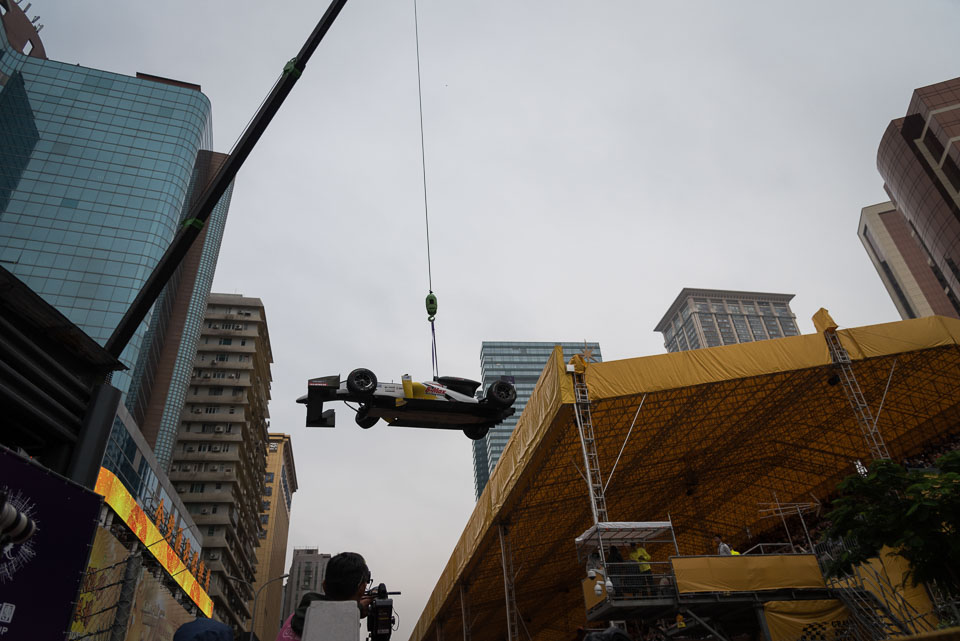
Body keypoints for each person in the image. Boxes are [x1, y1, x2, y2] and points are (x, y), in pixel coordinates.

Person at [277, 552, 374, 641]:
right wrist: (357, 609)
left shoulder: (299, 615)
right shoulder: (335, 629)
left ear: (324, 585)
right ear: (362, 588)